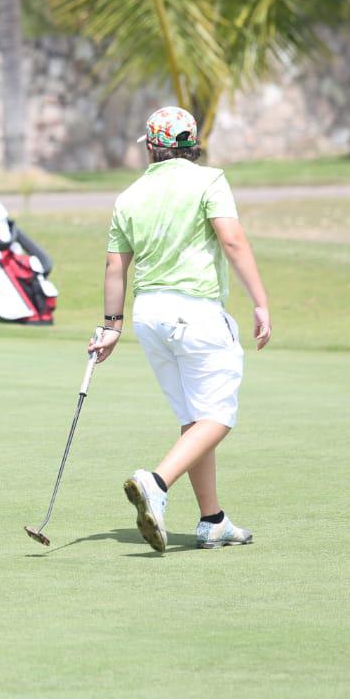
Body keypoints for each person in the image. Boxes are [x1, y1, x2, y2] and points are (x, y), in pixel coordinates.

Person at [89, 106, 271, 553]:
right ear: (192, 144)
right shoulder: (209, 180)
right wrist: (261, 301)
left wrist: (110, 327)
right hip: (197, 313)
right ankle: (156, 482)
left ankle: (213, 521)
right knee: (218, 417)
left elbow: (116, 265)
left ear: (152, 146)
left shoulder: (128, 196)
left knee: (194, 419)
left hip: (148, 316)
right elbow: (231, 239)